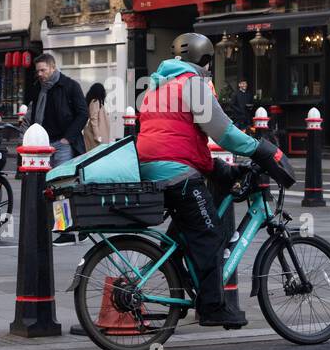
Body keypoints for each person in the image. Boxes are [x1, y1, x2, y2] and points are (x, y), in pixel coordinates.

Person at [137, 32, 294, 329]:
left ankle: (180, 275)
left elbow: (179, 139)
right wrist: (259, 149)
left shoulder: (158, 86)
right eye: (209, 62)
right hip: (177, 173)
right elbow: (222, 132)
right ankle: (212, 308)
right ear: (205, 59)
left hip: (153, 168)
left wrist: (218, 169)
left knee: (189, 231)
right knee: (211, 235)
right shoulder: (192, 84)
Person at [25, 53, 88, 167]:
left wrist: (67, 138)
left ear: (53, 68)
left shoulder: (70, 86)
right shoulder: (38, 88)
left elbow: (83, 114)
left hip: (62, 143)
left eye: (43, 70)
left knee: (60, 180)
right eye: (37, 71)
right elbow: (33, 114)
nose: (39, 74)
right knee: (42, 181)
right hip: (42, 143)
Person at [83, 82, 111, 153]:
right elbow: (93, 119)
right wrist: (97, 136)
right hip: (95, 137)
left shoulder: (98, 102)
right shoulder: (95, 102)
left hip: (98, 135)